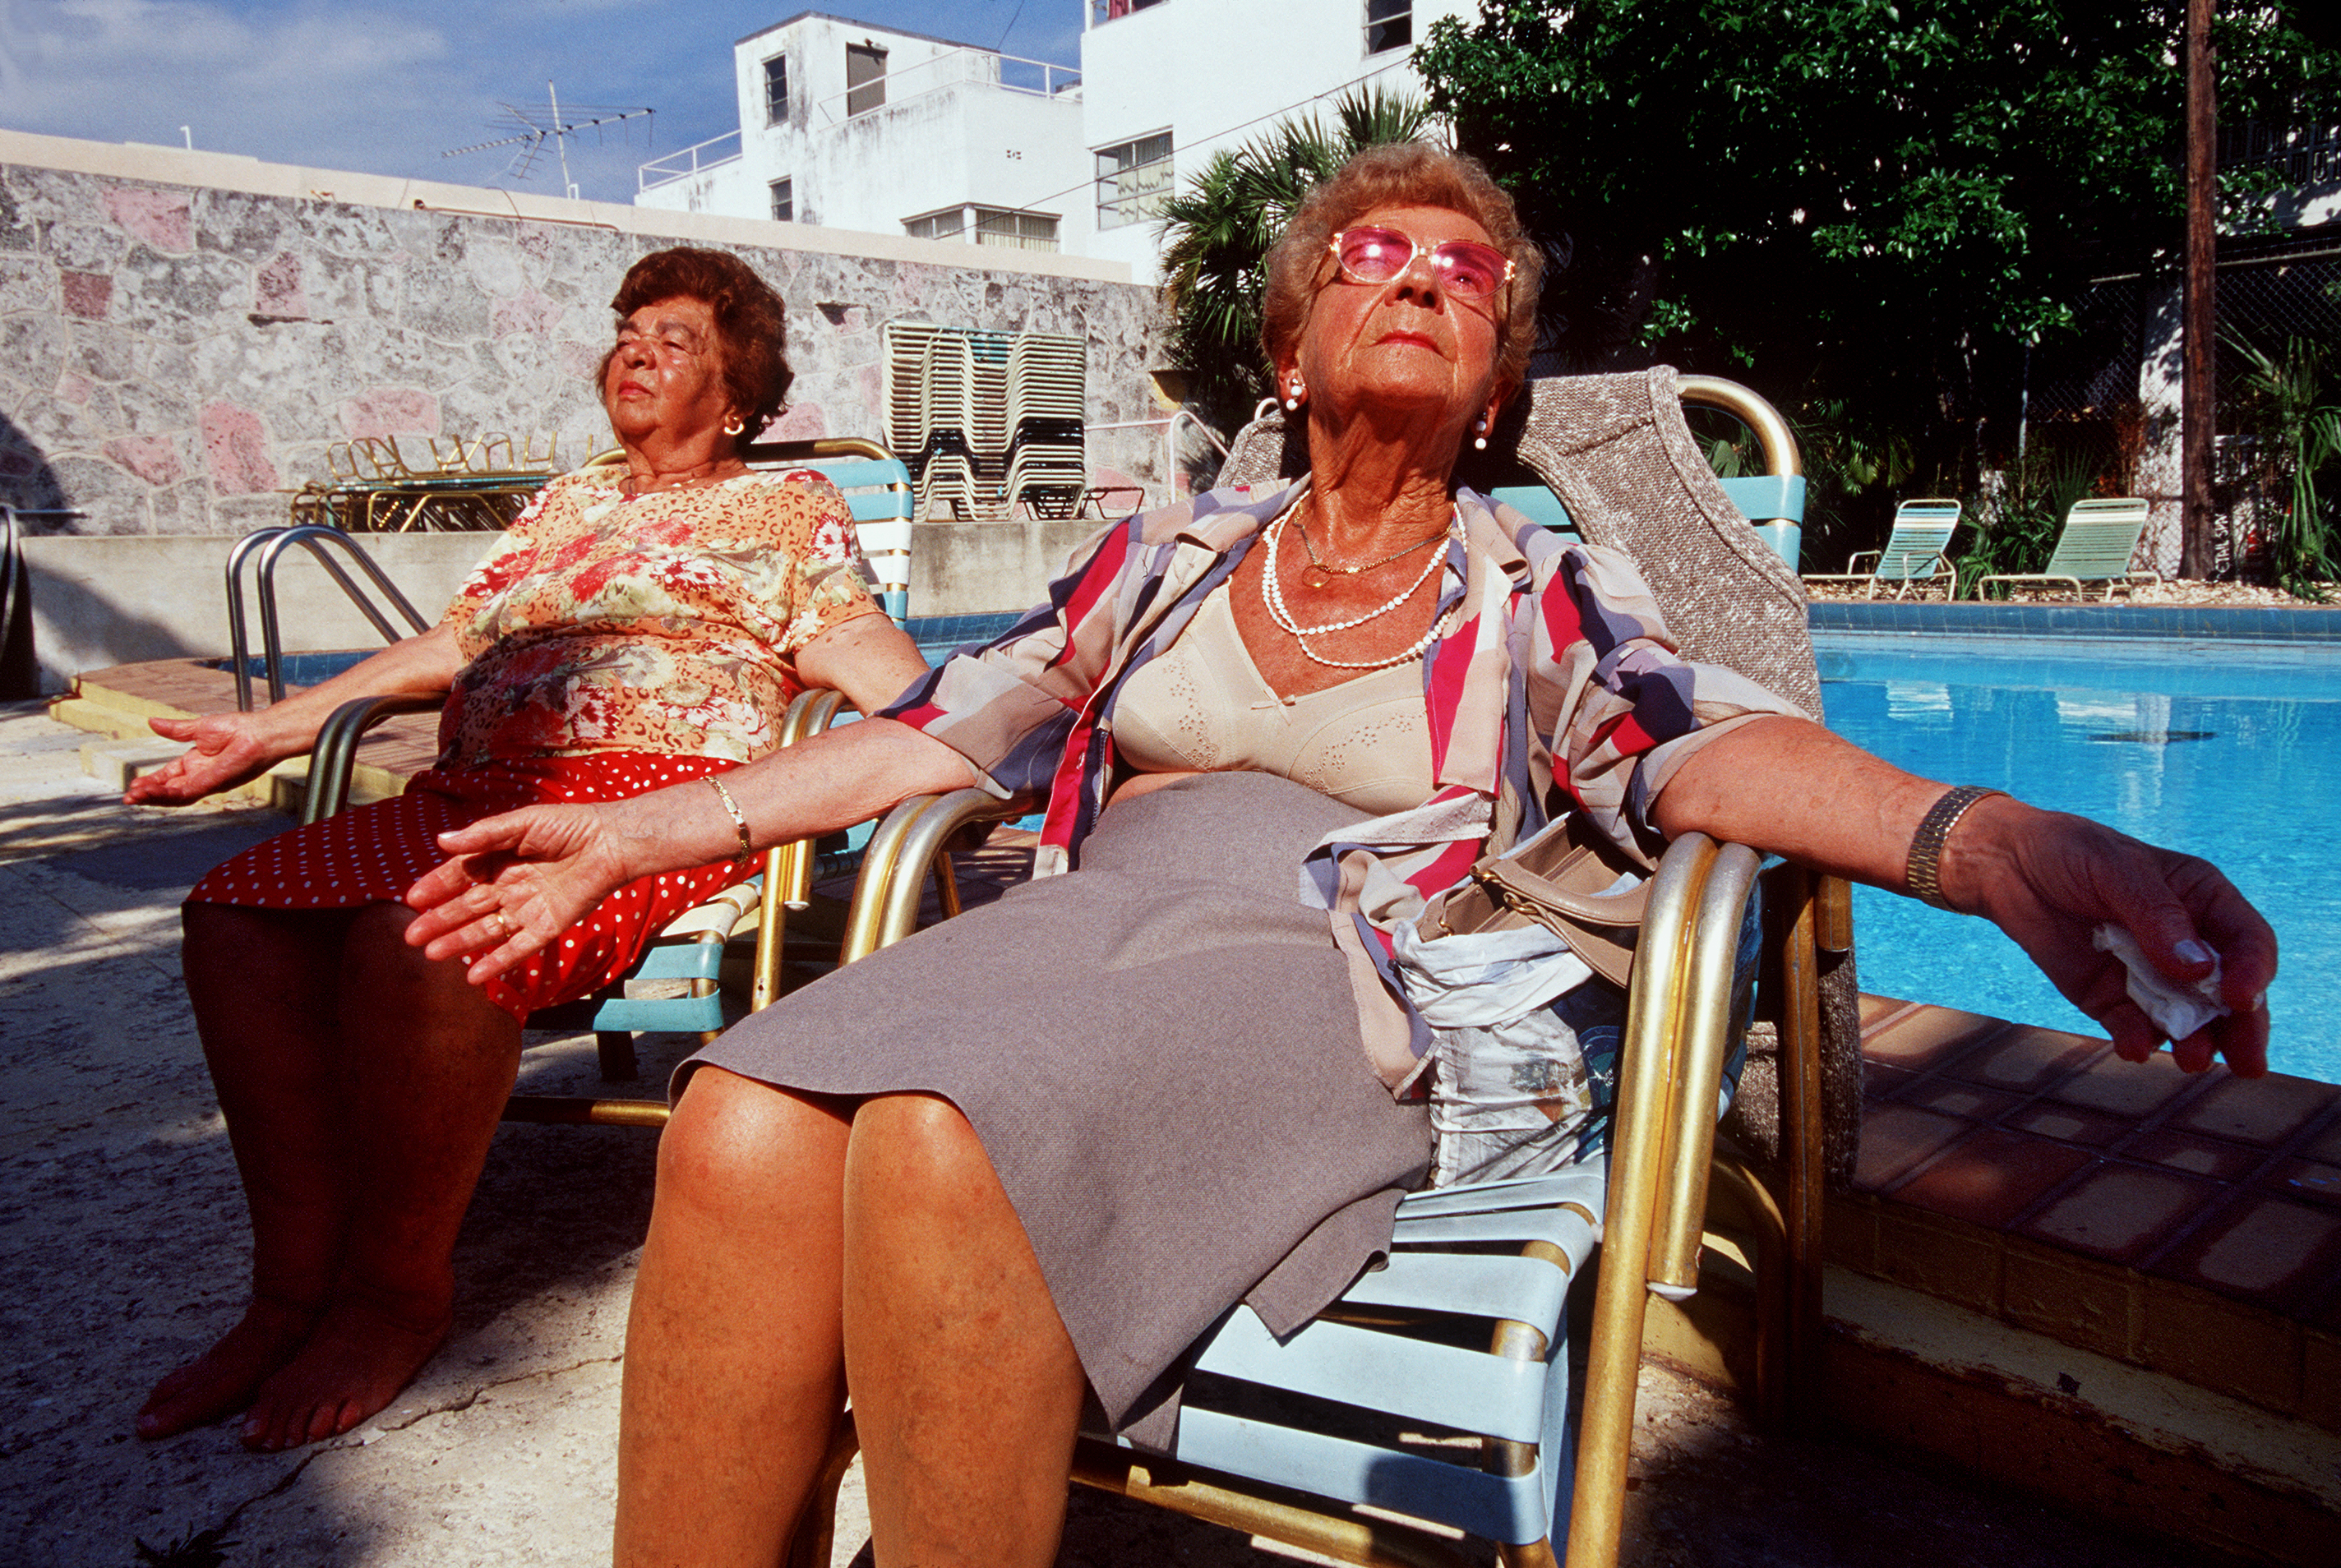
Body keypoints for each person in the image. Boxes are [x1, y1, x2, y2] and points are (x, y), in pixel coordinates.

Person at [402, 147, 2276, 1566]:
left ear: (1487, 385)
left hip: (1337, 967)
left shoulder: (1533, 587)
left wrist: (1988, 836)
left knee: (934, 1133)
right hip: (1097, 926)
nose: (1419, 281)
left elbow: (1701, 744)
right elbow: (933, 728)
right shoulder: (1163, 564)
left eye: (1463, 276)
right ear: (1288, 352)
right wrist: (619, 832)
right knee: (734, 1113)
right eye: (1367, 259)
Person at [127, 246, 930, 1453]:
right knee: (233, 912)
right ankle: (288, 1293)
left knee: (423, 938)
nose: (637, 352)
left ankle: (394, 1295)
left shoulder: (788, 505)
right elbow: (454, 641)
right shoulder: (565, 504)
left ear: (744, 393)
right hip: (475, 789)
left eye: (678, 341)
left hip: (642, 805)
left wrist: (989, 730)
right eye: (629, 331)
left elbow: (864, 653)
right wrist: (268, 729)